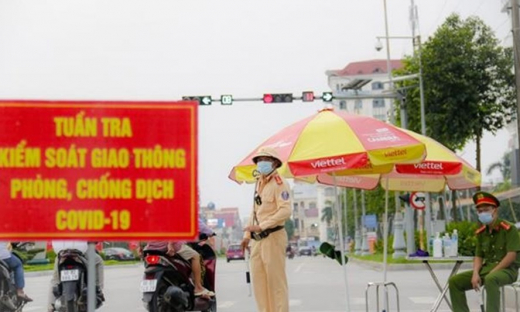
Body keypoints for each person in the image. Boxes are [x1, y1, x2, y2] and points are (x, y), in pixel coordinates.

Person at [448, 191, 520, 312]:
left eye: (486, 210)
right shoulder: (482, 232)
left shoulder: (509, 229)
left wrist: (493, 271)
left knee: (491, 279)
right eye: (480, 211)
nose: (482, 214)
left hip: (508, 271)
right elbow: (478, 255)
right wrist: (476, 273)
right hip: (487, 269)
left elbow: (511, 255)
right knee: (455, 282)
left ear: (495, 210)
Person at [241, 146, 291, 312]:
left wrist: (262, 226)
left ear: (275, 163)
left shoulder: (280, 183)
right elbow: (254, 212)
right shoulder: (258, 184)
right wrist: (247, 235)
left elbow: (285, 210)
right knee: (259, 284)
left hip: (273, 237)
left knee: (276, 284)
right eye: (259, 160)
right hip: (257, 241)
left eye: (265, 160)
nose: (261, 163)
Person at [143, 218, 216, 297]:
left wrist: (140, 246)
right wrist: (210, 233)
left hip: (151, 247)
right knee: (195, 256)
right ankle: (198, 287)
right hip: (169, 245)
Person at [47, 241, 105, 312]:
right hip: (79, 251)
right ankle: (97, 291)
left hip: (61, 253)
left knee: (55, 279)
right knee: (98, 261)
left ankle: (50, 305)